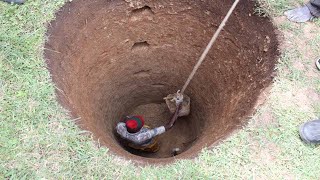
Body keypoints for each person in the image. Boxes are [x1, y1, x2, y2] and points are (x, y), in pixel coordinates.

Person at [116, 104, 181, 153]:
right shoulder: (145, 135)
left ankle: (133, 146)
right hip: (145, 143)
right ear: (140, 128)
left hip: (130, 139)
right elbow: (169, 125)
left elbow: (127, 119)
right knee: (152, 146)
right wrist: (177, 110)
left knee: (135, 144)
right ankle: (152, 150)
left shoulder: (120, 126)